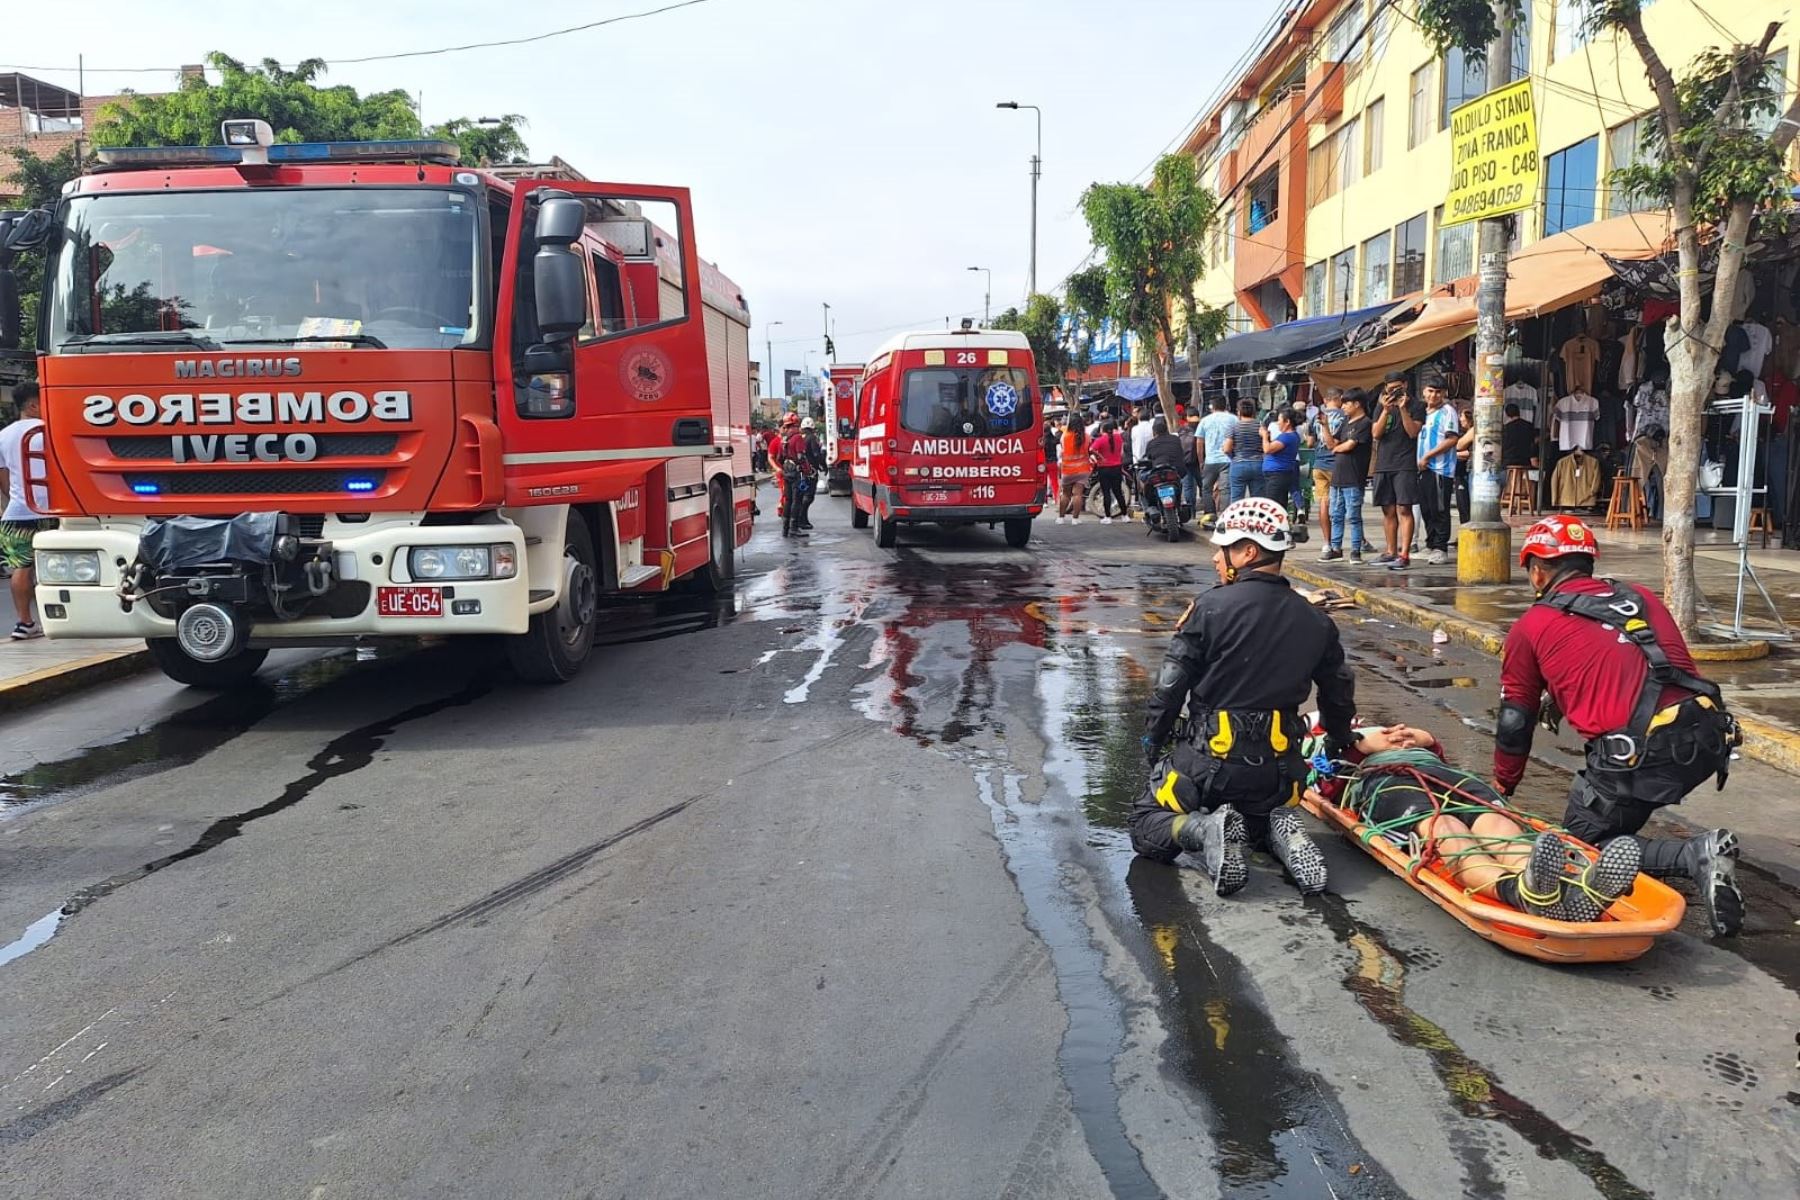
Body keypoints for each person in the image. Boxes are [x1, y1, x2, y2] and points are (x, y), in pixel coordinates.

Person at [1495, 515, 1745, 937]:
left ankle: (1693, 856)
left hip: (1641, 756)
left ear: (1537, 570)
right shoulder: (1639, 595)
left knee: (1578, 850)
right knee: (1617, 815)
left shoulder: (1530, 628)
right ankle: (1640, 835)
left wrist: (1503, 786)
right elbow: (1638, 660)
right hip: (1706, 735)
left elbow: (1515, 721)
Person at [1132, 497, 1356, 895]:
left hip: (1206, 769)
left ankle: (1204, 829)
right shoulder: (1317, 620)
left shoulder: (1208, 608)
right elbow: (1338, 694)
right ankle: (1270, 828)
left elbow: (1168, 689)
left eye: (1224, 549)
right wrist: (1338, 741)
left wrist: (1153, 742)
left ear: (1248, 552)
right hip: (1280, 775)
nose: (1217, 558)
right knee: (1256, 813)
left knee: (1146, 824)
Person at [1308, 722, 1643, 921]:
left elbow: (1437, 749)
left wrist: (1419, 738)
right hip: (1380, 779)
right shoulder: (1317, 736)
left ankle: (1564, 887)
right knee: (1444, 828)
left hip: (1438, 771)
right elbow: (1322, 780)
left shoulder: (1396, 730)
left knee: (1494, 820)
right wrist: (1357, 746)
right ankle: (1521, 891)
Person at [1, 383, 49, 640]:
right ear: (32, 405)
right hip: (51, 510)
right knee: (52, 567)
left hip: (16, 511)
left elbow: (4, 478)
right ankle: (54, 619)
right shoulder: (47, 431)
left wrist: (17, 499)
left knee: (21, 567)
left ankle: (24, 622)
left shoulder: (3, 435)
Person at [1370, 371, 1425, 570]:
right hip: (1384, 463)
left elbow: (1413, 432)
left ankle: (1404, 554)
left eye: (1397, 388)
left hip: (1405, 463)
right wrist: (1385, 409)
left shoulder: (1417, 406)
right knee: (1388, 509)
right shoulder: (1381, 406)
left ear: (1405, 385)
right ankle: (1390, 551)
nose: (1393, 392)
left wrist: (1402, 409)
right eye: (1389, 388)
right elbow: (1376, 433)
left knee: (1404, 508)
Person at [1321, 389, 1372, 563]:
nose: (1343, 407)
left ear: (1357, 404)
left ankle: (1356, 550)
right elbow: (1331, 444)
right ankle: (1336, 548)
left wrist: (1337, 448)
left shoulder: (1365, 423)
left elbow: (1349, 445)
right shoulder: (1345, 422)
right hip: (1338, 477)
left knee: (1354, 516)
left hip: (1353, 477)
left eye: (1346, 403)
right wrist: (1325, 426)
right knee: (1336, 514)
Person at [1415, 375, 1461, 566]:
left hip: (1440, 469)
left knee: (1439, 508)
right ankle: (1431, 543)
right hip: (1423, 469)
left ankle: (1440, 547)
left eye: (1438, 392)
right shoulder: (1422, 412)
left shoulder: (1447, 412)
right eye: (1431, 391)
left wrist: (1428, 456)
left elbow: (1451, 439)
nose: (1434, 395)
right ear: (1424, 391)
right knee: (1426, 508)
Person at [1305, 390, 1344, 552]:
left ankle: (1327, 543)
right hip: (1336, 464)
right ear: (1339, 399)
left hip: (1319, 464)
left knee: (1323, 504)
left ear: (1325, 400)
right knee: (1342, 504)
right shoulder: (1344, 416)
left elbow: (1309, 443)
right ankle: (1354, 541)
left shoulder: (1316, 417)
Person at [1197, 397, 1234, 521]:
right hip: (1228, 459)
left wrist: (1201, 460)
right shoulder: (1233, 419)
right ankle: (1225, 516)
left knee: (1206, 488)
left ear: (1211, 407)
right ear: (1226, 406)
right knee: (1225, 489)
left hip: (1211, 460)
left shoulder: (1205, 420)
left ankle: (1210, 515)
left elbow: (1199, 442)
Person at [1223, 399, 1264, 504]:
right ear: (1254, 412)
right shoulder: (1260, 426)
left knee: (1237, 500)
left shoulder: (1234, 427)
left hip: (1238, 464)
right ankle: (1257, 519)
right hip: (1258, 464)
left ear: (1239, 412)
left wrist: (1233, 457)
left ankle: (1236, 519)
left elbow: (1227, 448)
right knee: (1258, 500)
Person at [1259, 409, 1302, 509]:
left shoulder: (1287, 437)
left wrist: (1264, 436)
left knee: (1272, 505)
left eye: (1279, 420)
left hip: (1278, 474)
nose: (1277, 423)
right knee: (1279, 504)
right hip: (1279, 473)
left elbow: (1268, 449)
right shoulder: (1288, 436)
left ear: (1287, 422)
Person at [1091, 419, 1128, 523]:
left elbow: (1091, 449)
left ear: (1103, 429)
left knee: (1106, 492)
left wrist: (1100, 456)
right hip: (1117, 468)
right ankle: (1125, 515)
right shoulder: (1119, 437)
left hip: (1104, 468)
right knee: (1118, 492)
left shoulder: (1100, 440)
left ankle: (1108, 516)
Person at [1057, 419, 1092, 524]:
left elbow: (1061, 450)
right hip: (1083, 469)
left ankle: (1061, 518)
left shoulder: (1065, 436)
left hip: (1068, 469)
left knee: (1065, 494)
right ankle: (1075, 519)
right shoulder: (1087, 436)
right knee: (1078, 494)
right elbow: (1089, 449)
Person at [799, 417, 827, 530]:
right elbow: (816, 454)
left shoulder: (801, 438)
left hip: (803, 470)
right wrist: (823, 465)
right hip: (811, 471)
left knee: (803, 495)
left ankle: (802, 519)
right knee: (809, 496)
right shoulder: (812, 438)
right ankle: (802, 519)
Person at [1501, 403, 1539, 469]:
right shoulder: (1528, 425)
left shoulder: (1506, 428)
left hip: (1508, 460)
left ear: (1507, 415)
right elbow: (1533, 442)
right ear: (1519, 412)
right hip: (1525, 460)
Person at [1043, 416, 1062, 501]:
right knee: (1054, 482)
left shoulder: (1042, 441)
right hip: (1053, 462)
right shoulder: (1054, 439)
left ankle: (1045, 500)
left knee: (1043, 482)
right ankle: (1056, 499)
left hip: (1043, 463)